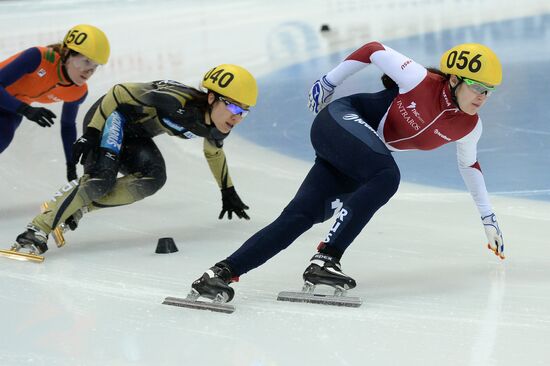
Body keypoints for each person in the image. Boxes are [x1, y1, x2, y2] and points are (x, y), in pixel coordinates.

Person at [188, 42, 506, 303]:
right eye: (477, 87)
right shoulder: (419, 80)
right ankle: (326, 259)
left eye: (489, 91)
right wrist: (330, 81)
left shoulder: (469, 127)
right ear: (454, 79)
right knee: (386, 176)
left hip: (359, 154)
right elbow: (373, 49)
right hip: (341, 121)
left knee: (300, 215)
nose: (482, 97)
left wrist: (488, 217)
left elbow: (470, 166)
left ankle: (219, 273)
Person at [10, 64, 257, 256]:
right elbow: (119, 92)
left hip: (135, 135)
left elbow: (213, 152)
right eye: (234, 108)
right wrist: (92, 133)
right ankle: (36, 231)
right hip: (111, 117)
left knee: (153, 179)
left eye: (244, 112)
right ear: (212, 98)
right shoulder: (176, 100)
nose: (237, 118)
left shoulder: (218, 127)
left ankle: (76, 205)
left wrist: (228, 190)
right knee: (100, 181)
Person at [0, 24, 110, 181]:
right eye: (86, 61)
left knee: (3, 136)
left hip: (11, 108)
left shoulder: (77, 92)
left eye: (95, 66)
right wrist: (26, 110)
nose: (90, 71)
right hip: (14, 104)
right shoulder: (38, 58)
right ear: (67, 54)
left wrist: (70, 165)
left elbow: (67, 125)